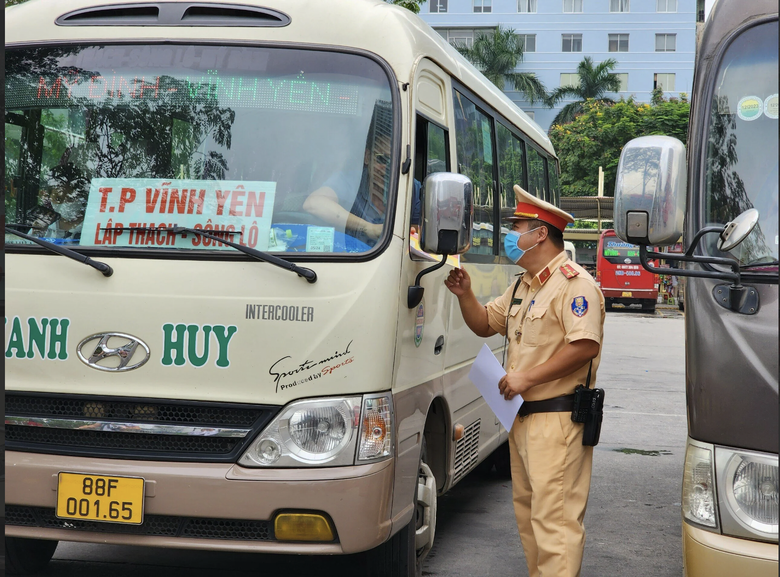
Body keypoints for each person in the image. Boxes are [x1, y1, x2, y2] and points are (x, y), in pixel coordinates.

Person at [444, 184, 605, 577]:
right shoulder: (523, 284)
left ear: (540, 234)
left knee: (555, 523)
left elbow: (585, 345)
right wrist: (465, 294)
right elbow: (486, 323)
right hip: (522, 418)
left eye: (517, 227)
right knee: (530, 518)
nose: (510, 234)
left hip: (557, 420)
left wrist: (526, 378)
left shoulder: (574, 284)